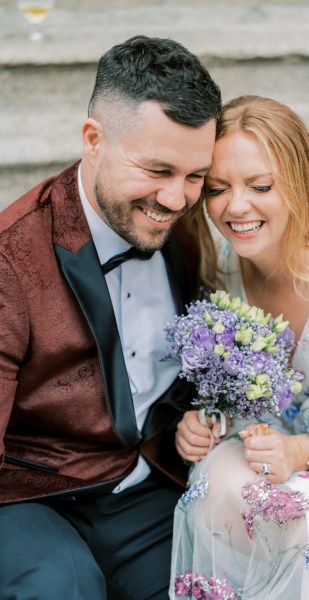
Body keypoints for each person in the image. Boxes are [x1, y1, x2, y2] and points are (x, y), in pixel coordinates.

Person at [0, 35, 221, 600]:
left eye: (195, 176)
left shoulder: (182, 224)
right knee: (60, 586)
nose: (176, 199)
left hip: (146, 484)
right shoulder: (9, 260)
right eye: (157, 169)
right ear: (93, 139)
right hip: (28, 496)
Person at [171, 95, 309, 599]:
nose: (236, 207)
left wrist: (306, 450)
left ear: (299, 180)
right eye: (216, 189)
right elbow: (248, 396)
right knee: (217, 479)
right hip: (277, 459)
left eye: (261, 186)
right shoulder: (226, 269)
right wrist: (211, 422)